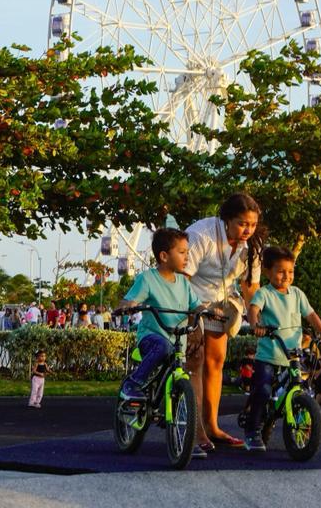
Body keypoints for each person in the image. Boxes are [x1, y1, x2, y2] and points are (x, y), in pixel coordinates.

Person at [180, 193, 264, 452]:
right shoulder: (201, 235)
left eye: (252, 224)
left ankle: (212, 425)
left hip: (221, 302)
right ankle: (196, 431)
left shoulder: (252, 247)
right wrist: (192, 323)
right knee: (195, 360)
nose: (248, 230)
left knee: (216, 361)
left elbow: (251, 286)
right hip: (188, 298)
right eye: (242, 223)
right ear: (226, 219)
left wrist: (257, 319)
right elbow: (181, 278)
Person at [114, 227, 206, 453]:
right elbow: (128, 300)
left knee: (180, 381)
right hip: (152, 339)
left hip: (177, 344)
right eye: (182, 252)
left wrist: (208, 311)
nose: (187, 257)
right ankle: (133, 384)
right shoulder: (147, 279)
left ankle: (184, 437)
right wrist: (129, 306)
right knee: (162, 346)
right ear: (164, 256)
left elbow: (197, 305)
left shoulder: (184, 284)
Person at [243, 245, 321, 451]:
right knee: (263, 390)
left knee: (299, 386)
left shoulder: (297, 294)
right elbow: (253, 310)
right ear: (267, 271)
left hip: (292, 355)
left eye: (290, 271)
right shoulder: (264, 293)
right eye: (281, 271)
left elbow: (311, 315)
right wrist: (256, 325)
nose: (287, 276)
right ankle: (252, 430)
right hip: (268, 355)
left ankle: (285, 419)